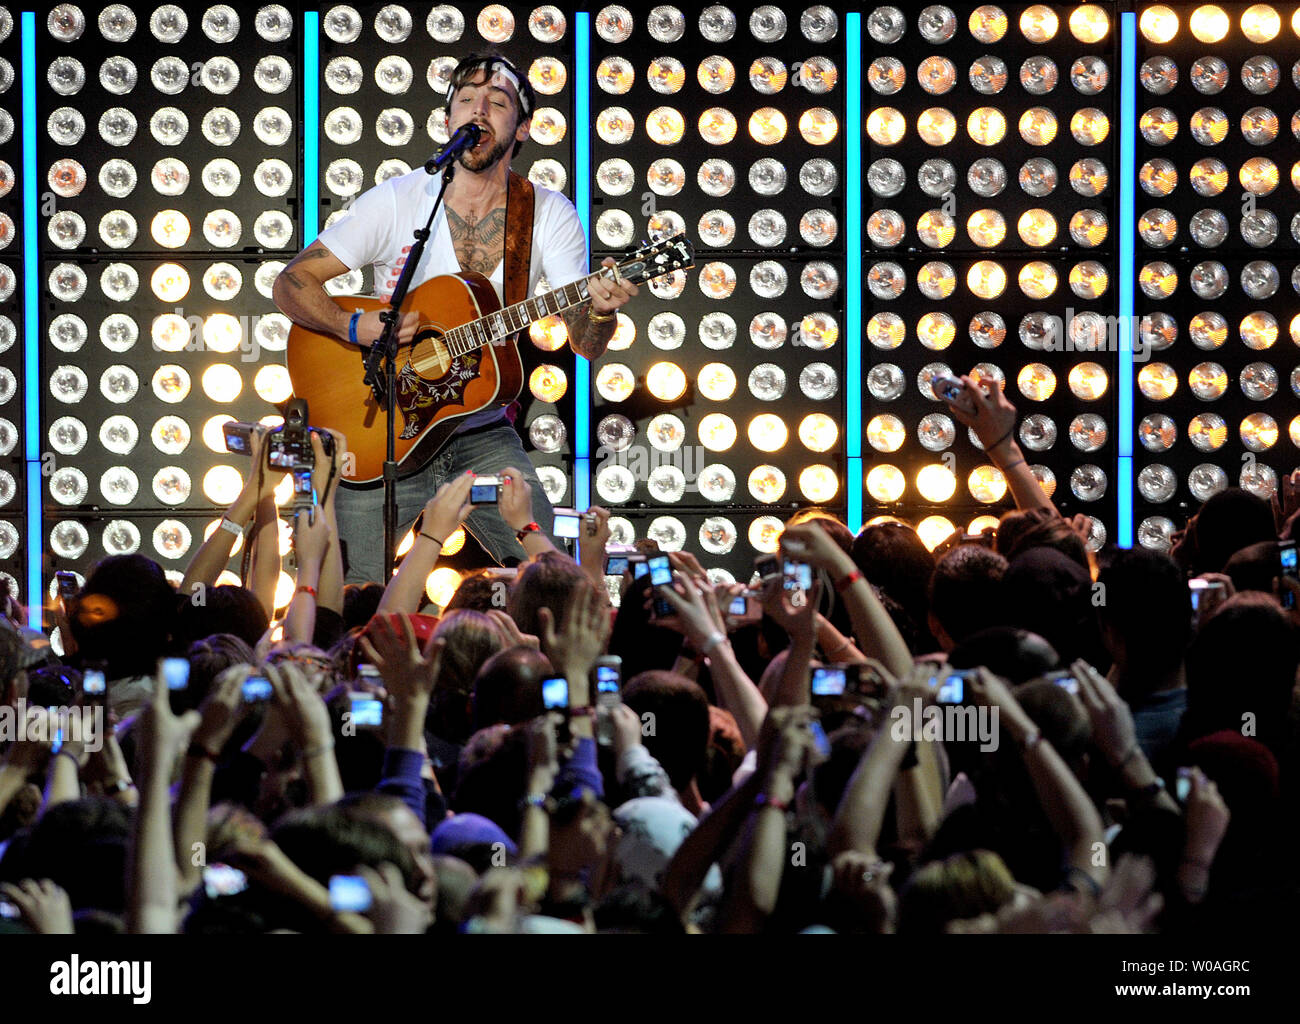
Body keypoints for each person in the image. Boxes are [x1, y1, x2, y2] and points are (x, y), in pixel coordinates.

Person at [273, 52, 638, 582]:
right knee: (347, 592)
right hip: (383, 423)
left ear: (523, 128)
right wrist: (353, 326)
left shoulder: (548, 211)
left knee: (556, 581)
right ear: (448, 121)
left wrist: (600, 312)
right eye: (466, 99)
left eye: (498, 101)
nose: (479, 110)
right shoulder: (399, 200)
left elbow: (585, 341)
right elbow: (292, 282)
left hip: (480, 432)